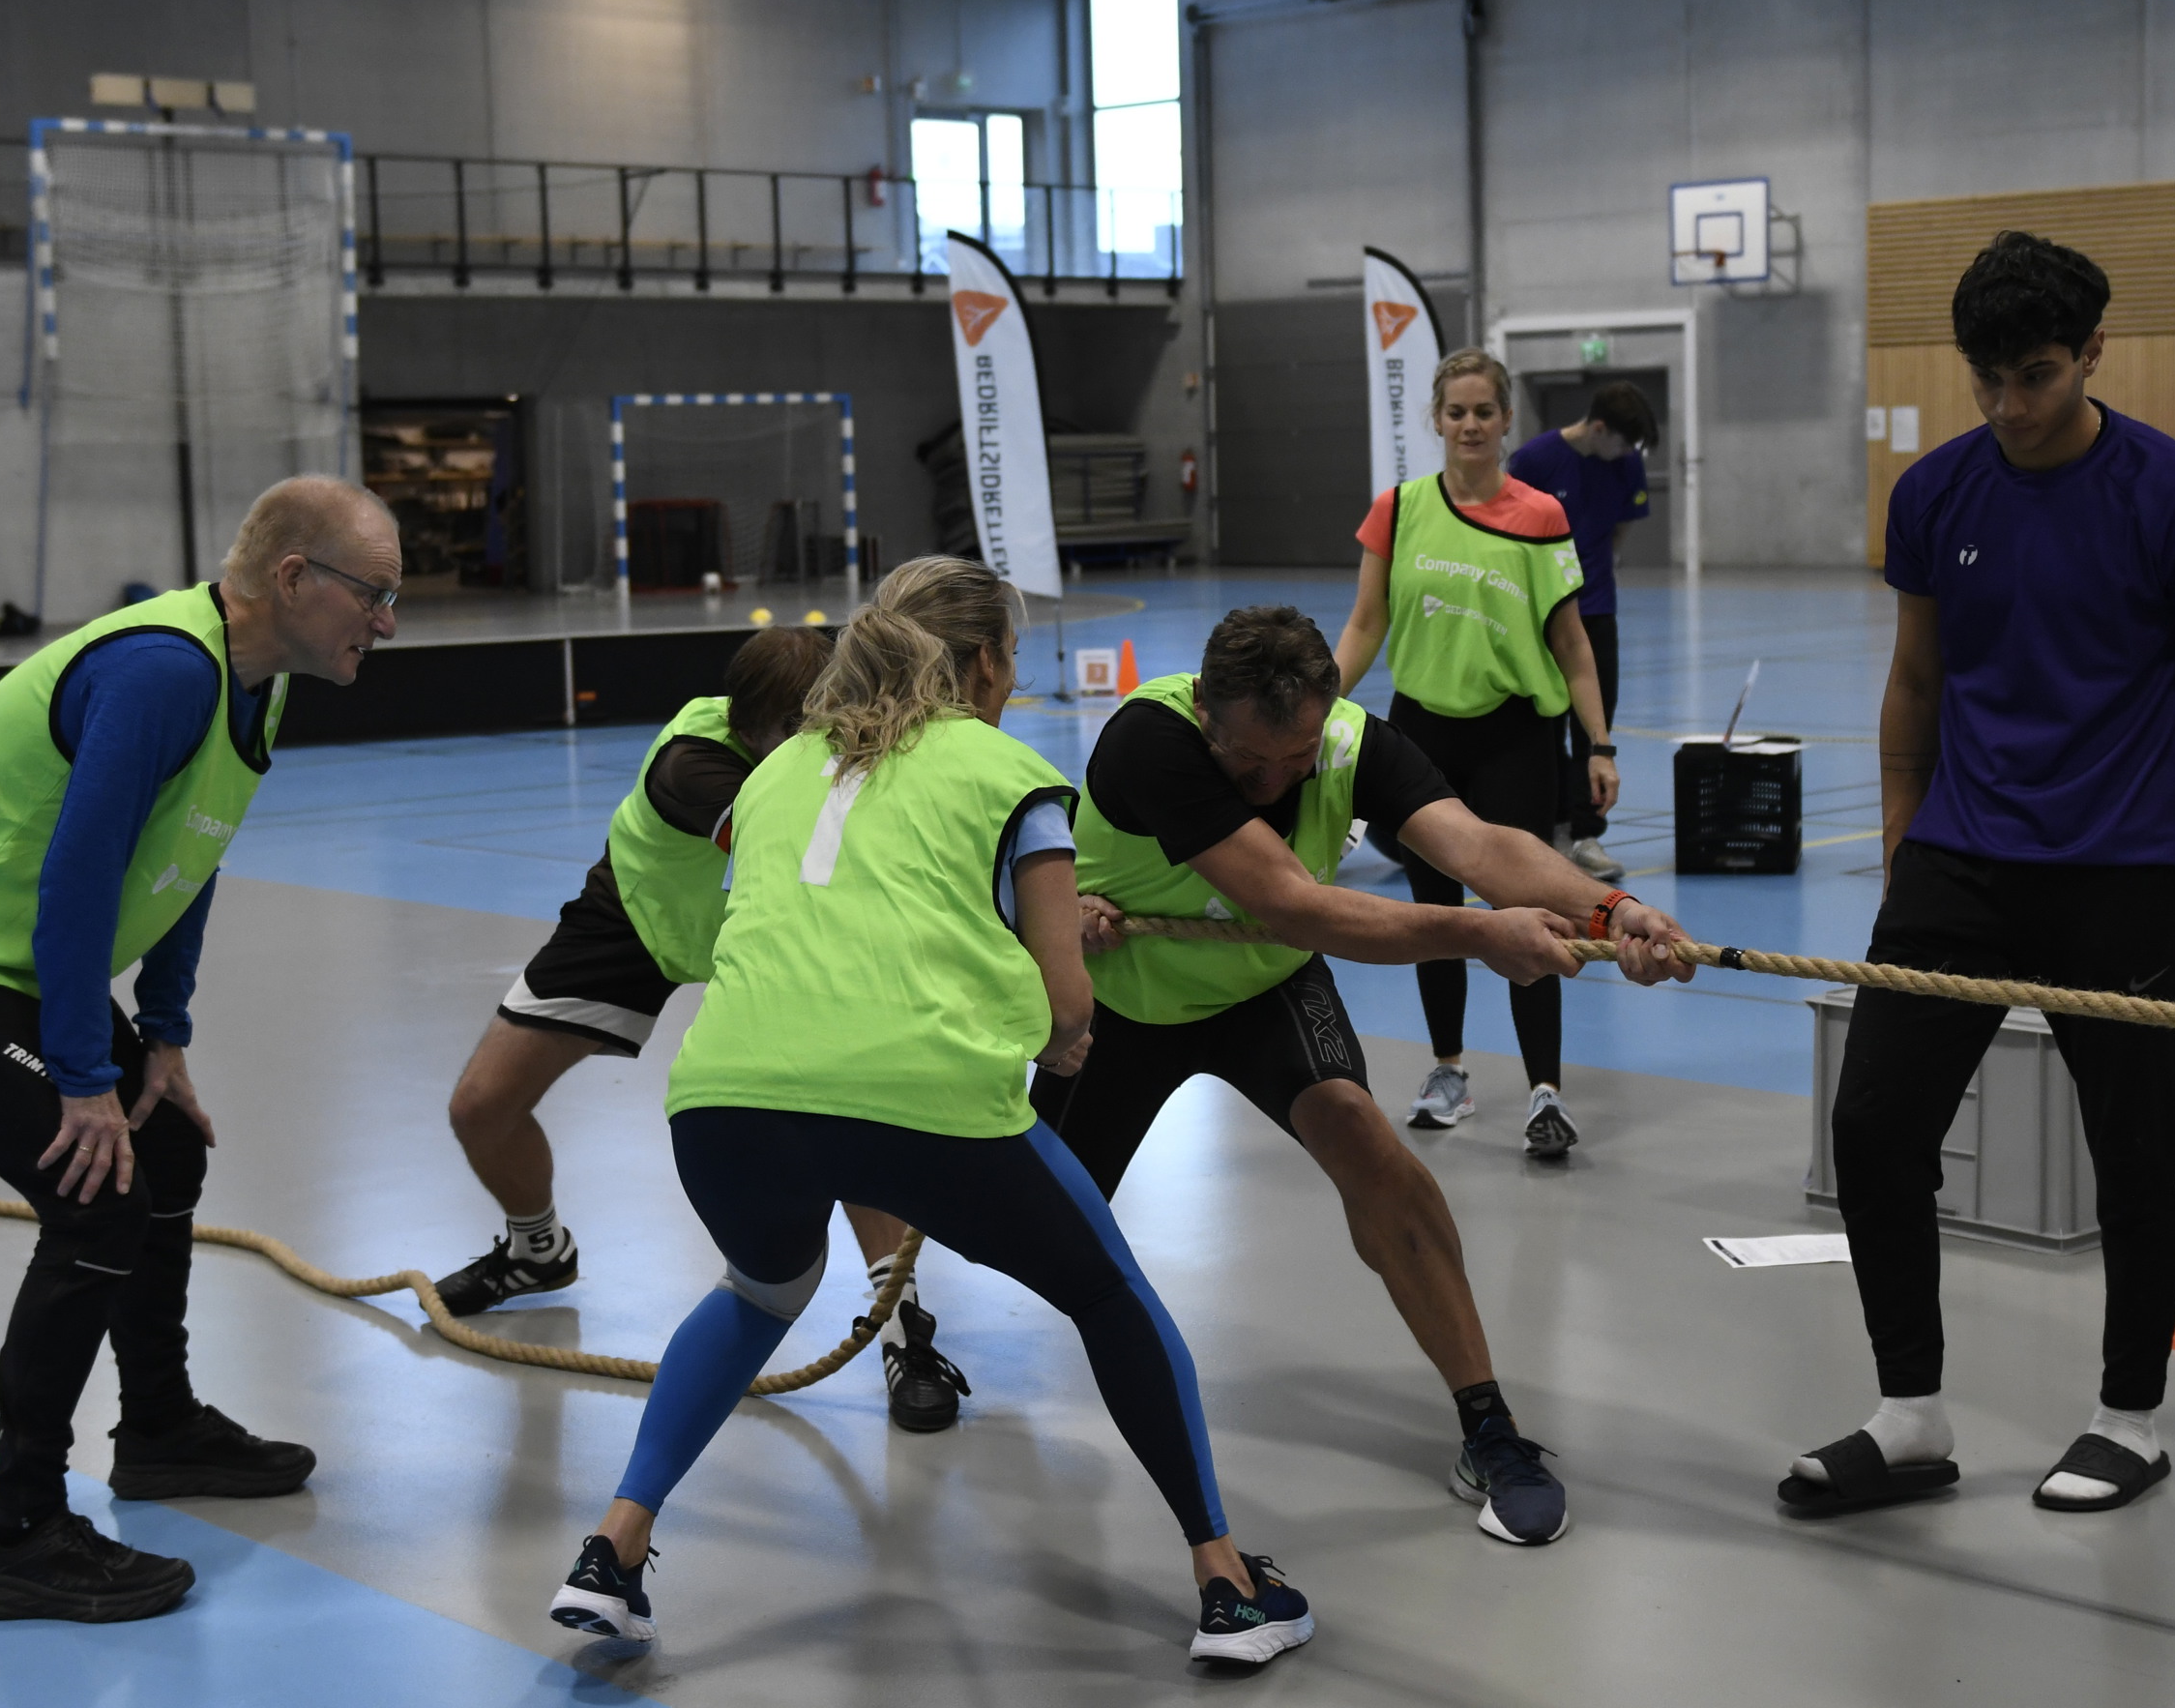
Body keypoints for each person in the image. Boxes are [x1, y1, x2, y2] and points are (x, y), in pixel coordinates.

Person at [547, 556, 1313, 1666]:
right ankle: (1229, 1585)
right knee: (1107, 1292)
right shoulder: (1012, 775)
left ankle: (613, 1550)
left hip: (722, 1098)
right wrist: (1057, 1032)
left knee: (761, 1290)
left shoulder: (775, 771)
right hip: (922, 1101)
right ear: (988, 662)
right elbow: (1067, 1005)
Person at [1780, 232, 2175, 1517]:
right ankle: (1911, 1416)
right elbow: (1917, 677)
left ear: (2093, 354)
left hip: (2122, 875)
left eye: (2037, 376)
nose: (2010, 406)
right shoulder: (1936, 494)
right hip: (1958, 863)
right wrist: (1903, 834)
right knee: (1873, 1126)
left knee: (2138, 1156)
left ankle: (2129, 1420)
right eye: (1987, 379)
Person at [0, 477, 401, 1622]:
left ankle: (160, 1429)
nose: (387, 623)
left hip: (20, 961)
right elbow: (81, 873)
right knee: (95, 1198)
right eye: (373, 595)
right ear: (295, 579)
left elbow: (190, 853)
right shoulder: (161, 672)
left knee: (167, 1148)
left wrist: (165, 1035)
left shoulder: (259, 682)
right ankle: (20, 1533)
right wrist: (86, 1076)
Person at [1035, 604, 1694, 1546]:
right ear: (1209, 712)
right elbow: (1293, 903)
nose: (1272, 782)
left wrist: (1610, 910)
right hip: (1119, 1008)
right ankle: (904, 1324)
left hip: (1262, 986)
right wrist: (1479, 935)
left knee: (1366, 1141)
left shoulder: (1349, 744)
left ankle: (1488, 1424)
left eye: (1295, 759)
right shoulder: (1152, 740)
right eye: (1248, 761)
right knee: (1030, 1223)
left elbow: (1479, 846)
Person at [430, 627, 972, 1433]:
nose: (812, 746)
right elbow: (804, 845)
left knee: (846, 1108)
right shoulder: (693, 764)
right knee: (481, 1107)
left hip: (772, 934)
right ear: (750, 725)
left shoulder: (839, 742)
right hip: (639, 920)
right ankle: (536, 1250)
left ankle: (902, 1331)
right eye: (789, 733)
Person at [1333, 347, 1623, 1160]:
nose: (1469, 425)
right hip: (1421, 736)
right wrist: (1314, 706)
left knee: (1531, 913)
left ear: (1505, 420)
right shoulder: (1397, 510)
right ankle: (1448, 1072)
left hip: (1516, 739)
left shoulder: (1541, 514)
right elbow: (1365, 624)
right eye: (1455, 412)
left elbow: (1572, 645)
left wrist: (1598, 744)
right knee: (1436, 913)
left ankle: (1545, 1092)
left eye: (1483, 412)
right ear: (1436, 419)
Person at [1507, 382, 1658, 884]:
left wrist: (1598, 567)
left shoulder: (1626, 464)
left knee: (1594, 728)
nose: (1627, 454)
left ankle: (1586, 834)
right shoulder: (1534, 461)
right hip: (1538, 616)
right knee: (1544, 728)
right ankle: (1551, 830)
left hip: (1596, 610)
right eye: (1622, 442)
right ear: (1598, 428)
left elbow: (1620, 528)